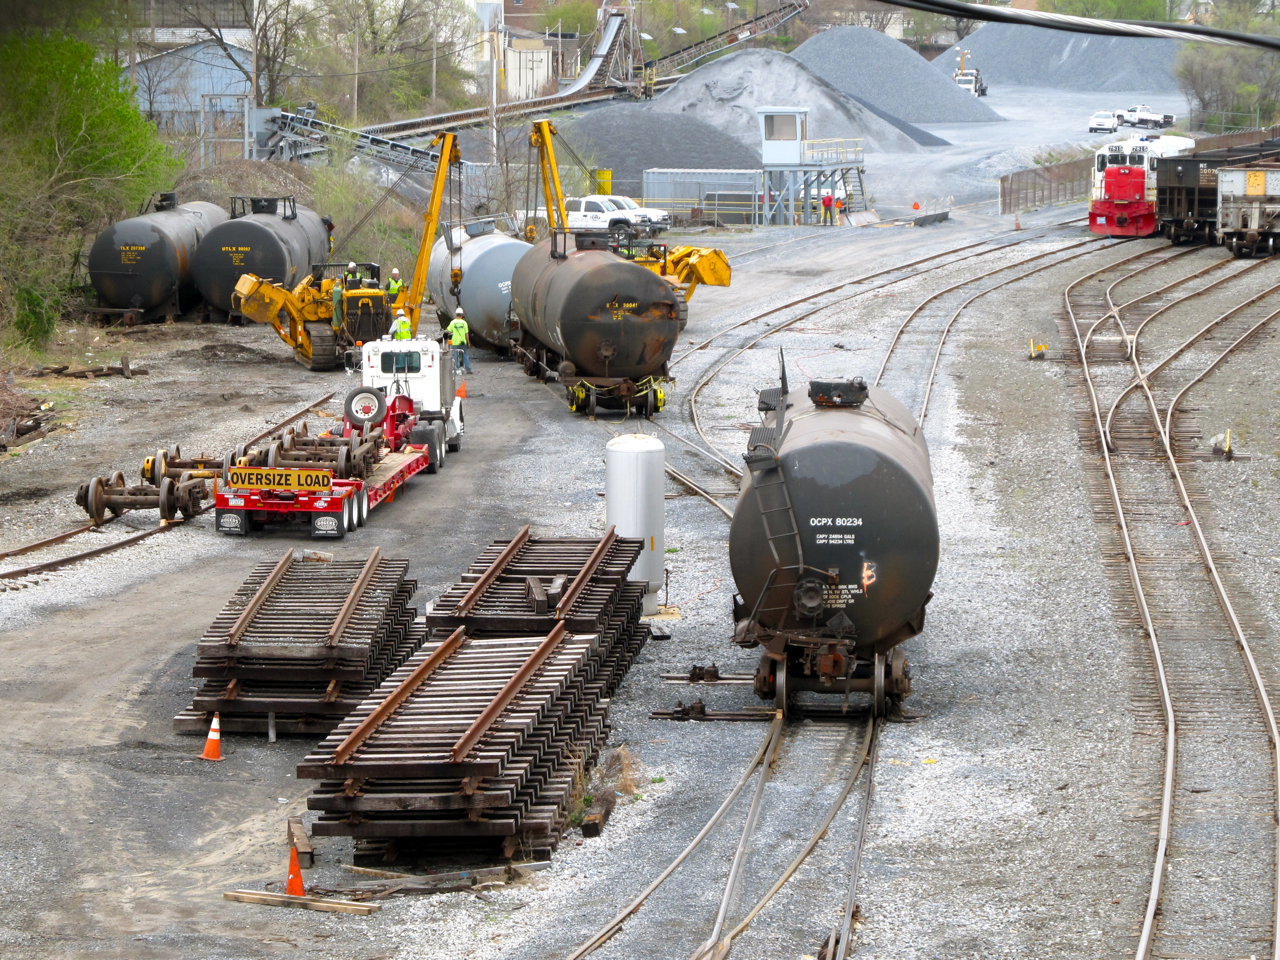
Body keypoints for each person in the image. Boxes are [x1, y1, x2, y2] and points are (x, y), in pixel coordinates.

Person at [446, 306, 472, 374]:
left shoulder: (453, 322)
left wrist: (453, 331)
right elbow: (467, 333)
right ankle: (468, 369)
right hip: (463, 342)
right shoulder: (464, 323)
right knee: (465, 355)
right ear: (462, 314)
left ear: (456, 314)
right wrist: (468, 342)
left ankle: (458, 369)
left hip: (455, 342)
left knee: (456, 355)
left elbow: (449, 331)